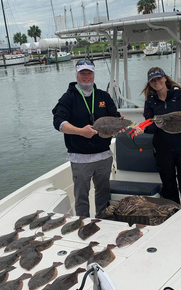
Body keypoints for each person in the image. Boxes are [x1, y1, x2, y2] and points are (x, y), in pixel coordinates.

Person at [52, 59, 122, 217]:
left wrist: (120, 125)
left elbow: (115, 117)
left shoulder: (103, 96)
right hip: (80, 158)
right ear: (76, 74)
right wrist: (80, 131)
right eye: (82, 73)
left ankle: (102, 221)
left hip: (103, 155)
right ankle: (82, 223)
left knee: (103, 193)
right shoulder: (68, 98)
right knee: (81, 196)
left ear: (93, 74)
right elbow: (59, 122)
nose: (86, 76)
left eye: (89, 73)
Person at [134, 67, 181, 208]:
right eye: (153, 80)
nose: (156, 82)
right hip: (162, 149)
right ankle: (173, 212)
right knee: (168, 184)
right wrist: (155, 126)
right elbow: (149, 127)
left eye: (159, 78)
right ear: (150, 83)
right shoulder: (150, 102)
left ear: (165, 79)